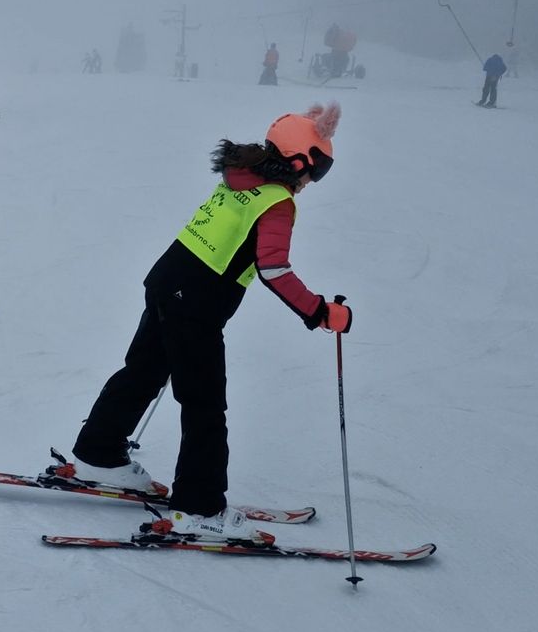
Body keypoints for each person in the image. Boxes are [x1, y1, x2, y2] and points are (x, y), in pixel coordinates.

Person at [66, 103, 351, 542]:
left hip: (167, 279)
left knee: (143, 370)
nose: (315, 180)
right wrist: (318, 311)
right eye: (320, 168)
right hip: (193, 302)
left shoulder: (243, 177)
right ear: (299, 161)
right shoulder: (276, 201)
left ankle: (98, 453)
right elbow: (274, 269)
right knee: (204, 405)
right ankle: (199, 509)